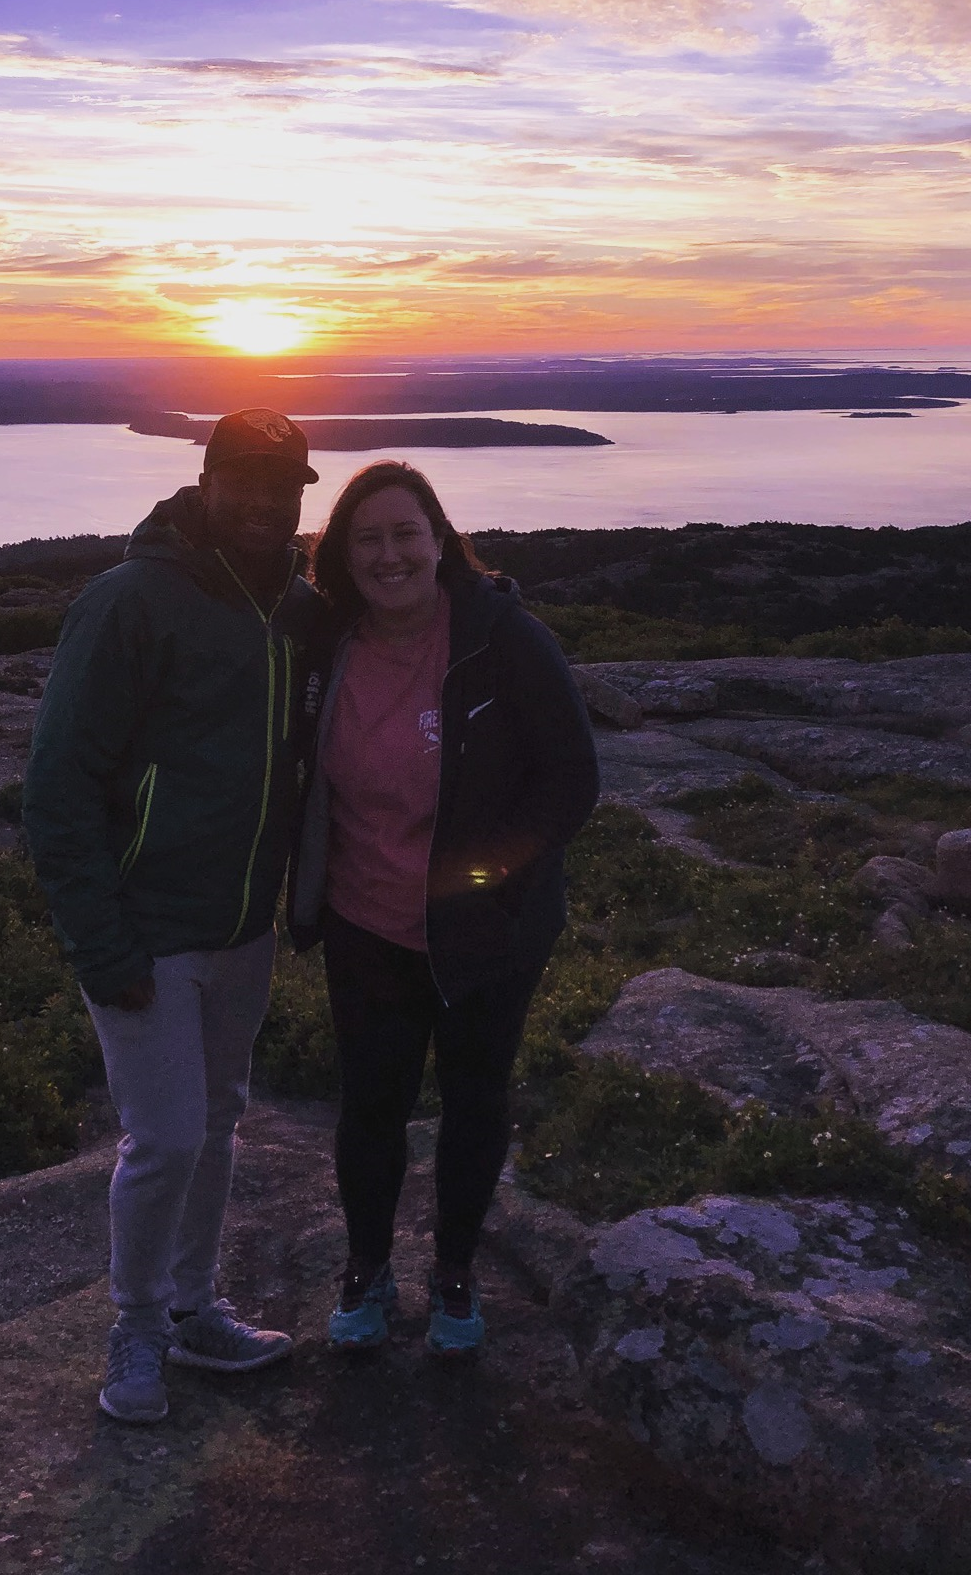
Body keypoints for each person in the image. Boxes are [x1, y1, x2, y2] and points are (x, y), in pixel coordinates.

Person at [22, 408, 323, 1424]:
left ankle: (196, 1311)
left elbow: (408, 614)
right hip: (148, 929)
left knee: (219, 1124)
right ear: (206, 483)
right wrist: (98, 940)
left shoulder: (297, 609)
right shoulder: (131, 601)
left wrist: (478, 594)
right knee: (167, 1137)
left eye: (282, 485)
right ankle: (138, 1328)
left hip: (243, 928)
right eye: (243, 481)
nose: (263, 501)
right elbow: (59, 785)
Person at [288, 461, 599, 1359]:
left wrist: (486, 880)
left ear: (438, 540)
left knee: (472, 1099)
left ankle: (455, 1273)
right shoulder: (326, 642)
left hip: (485, 927)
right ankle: (366, 1268)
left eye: (404, 534)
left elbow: (572, 778)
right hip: (365, 922)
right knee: (372, 1104)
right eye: (367, 539)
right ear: (342, 555)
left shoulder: (502, 637)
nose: (388, 555)